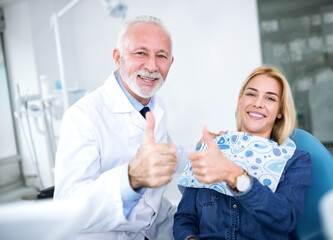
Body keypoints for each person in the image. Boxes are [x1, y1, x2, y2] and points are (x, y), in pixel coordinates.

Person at [54, 15, 194, 240]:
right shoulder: (82, 116)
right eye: (140, 53)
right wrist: (130, 178)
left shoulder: (156, 106)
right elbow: (67, 207)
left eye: (161, 56)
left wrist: (200, 152)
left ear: (171, 62)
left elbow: (162, 155)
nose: (151, 66)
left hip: (151, 227)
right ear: (118, 58)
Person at [174, 66, 312, 240]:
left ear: (280, 111)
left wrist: (234, 175)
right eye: (251, 94)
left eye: (270, 98)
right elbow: (185, 218)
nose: (258, 103)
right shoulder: (211, 149)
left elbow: (285, 220)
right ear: (240, 101)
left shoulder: (295, 161)